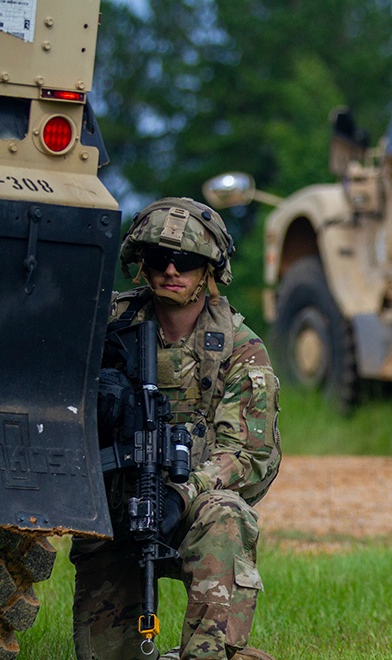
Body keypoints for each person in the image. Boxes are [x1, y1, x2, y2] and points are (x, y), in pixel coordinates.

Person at [71, 198, 281, 660]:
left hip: (193, 505)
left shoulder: (239, 349)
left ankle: (206, 653)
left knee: (227, 515)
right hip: (115, 504)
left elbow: (249, 456)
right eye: (158, 258)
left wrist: (186, 492)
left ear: (209, 269)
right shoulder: (102, 327)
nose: (170, 269)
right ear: (139, 265)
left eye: (185, 260)